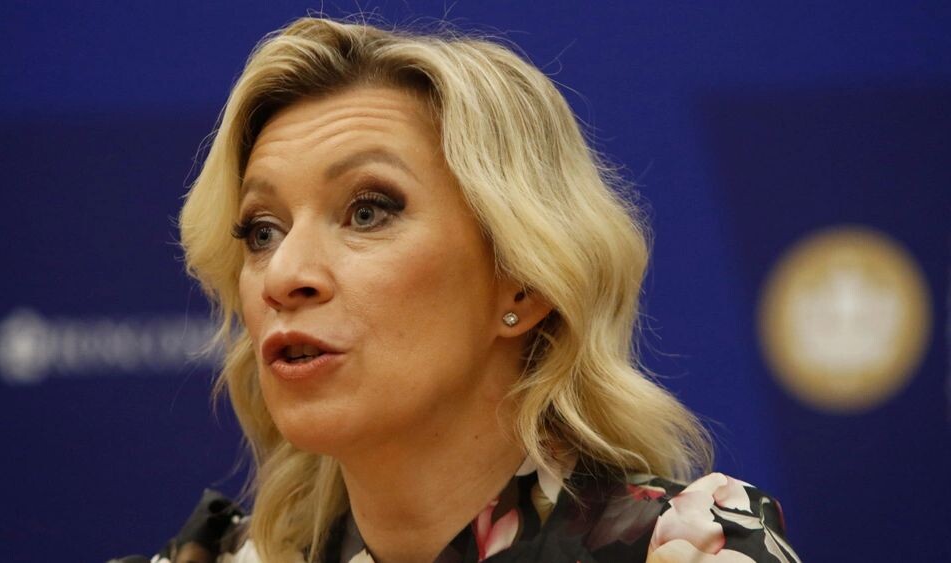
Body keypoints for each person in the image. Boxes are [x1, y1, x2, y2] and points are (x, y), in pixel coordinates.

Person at [114, 16, 799, 563]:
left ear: (523, 282)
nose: (285, 276)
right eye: (262, 231)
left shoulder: (686, 550)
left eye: (367, 212)